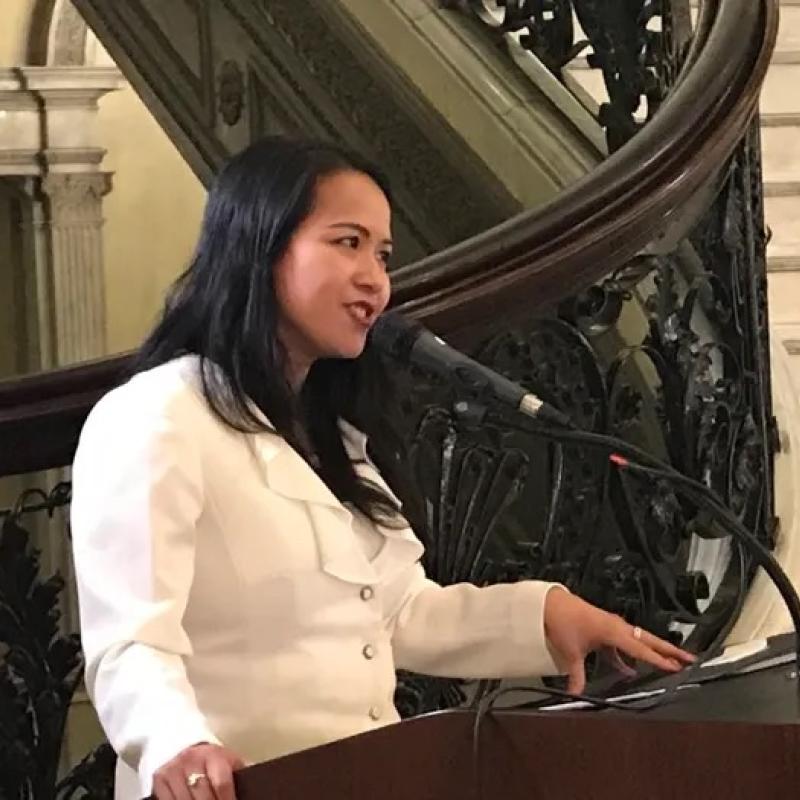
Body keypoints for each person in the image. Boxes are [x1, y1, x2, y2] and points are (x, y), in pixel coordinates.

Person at [70, 136, 695, 800]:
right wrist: (177, 741)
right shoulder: (158, 416)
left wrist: (547, 615)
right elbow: (130, 641)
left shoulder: (330, 436)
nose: (375, 276)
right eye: (348, 243)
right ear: (259, 246)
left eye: (383, 254)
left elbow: (397, 616)